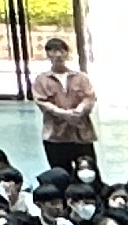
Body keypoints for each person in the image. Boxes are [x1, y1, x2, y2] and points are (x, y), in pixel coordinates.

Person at [32, 36, 101, 182]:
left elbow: (89, 97)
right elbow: (42, 102)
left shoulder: (80, 78)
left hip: (81, 134)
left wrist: (80, 110)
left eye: (61, 51)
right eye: (53, 51)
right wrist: (63, 113)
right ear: (48, 54)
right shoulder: (41, 80)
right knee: (60, 175)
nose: (57, 55)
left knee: (89, 173)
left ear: (66, 53)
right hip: (55, 136)